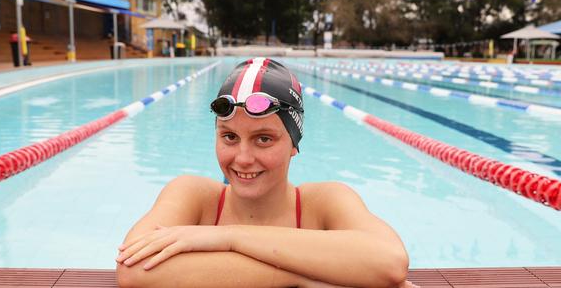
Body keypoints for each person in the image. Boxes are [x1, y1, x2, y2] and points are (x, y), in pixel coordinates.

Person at [116, 58, 412, 288]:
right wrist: (303, 276)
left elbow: (389, 260)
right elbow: (132, 268)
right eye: (229, 137)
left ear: (293, 144)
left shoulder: (323, 203)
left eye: (264, 139)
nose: (243, 159)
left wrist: (228, 238)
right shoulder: (193, 195)